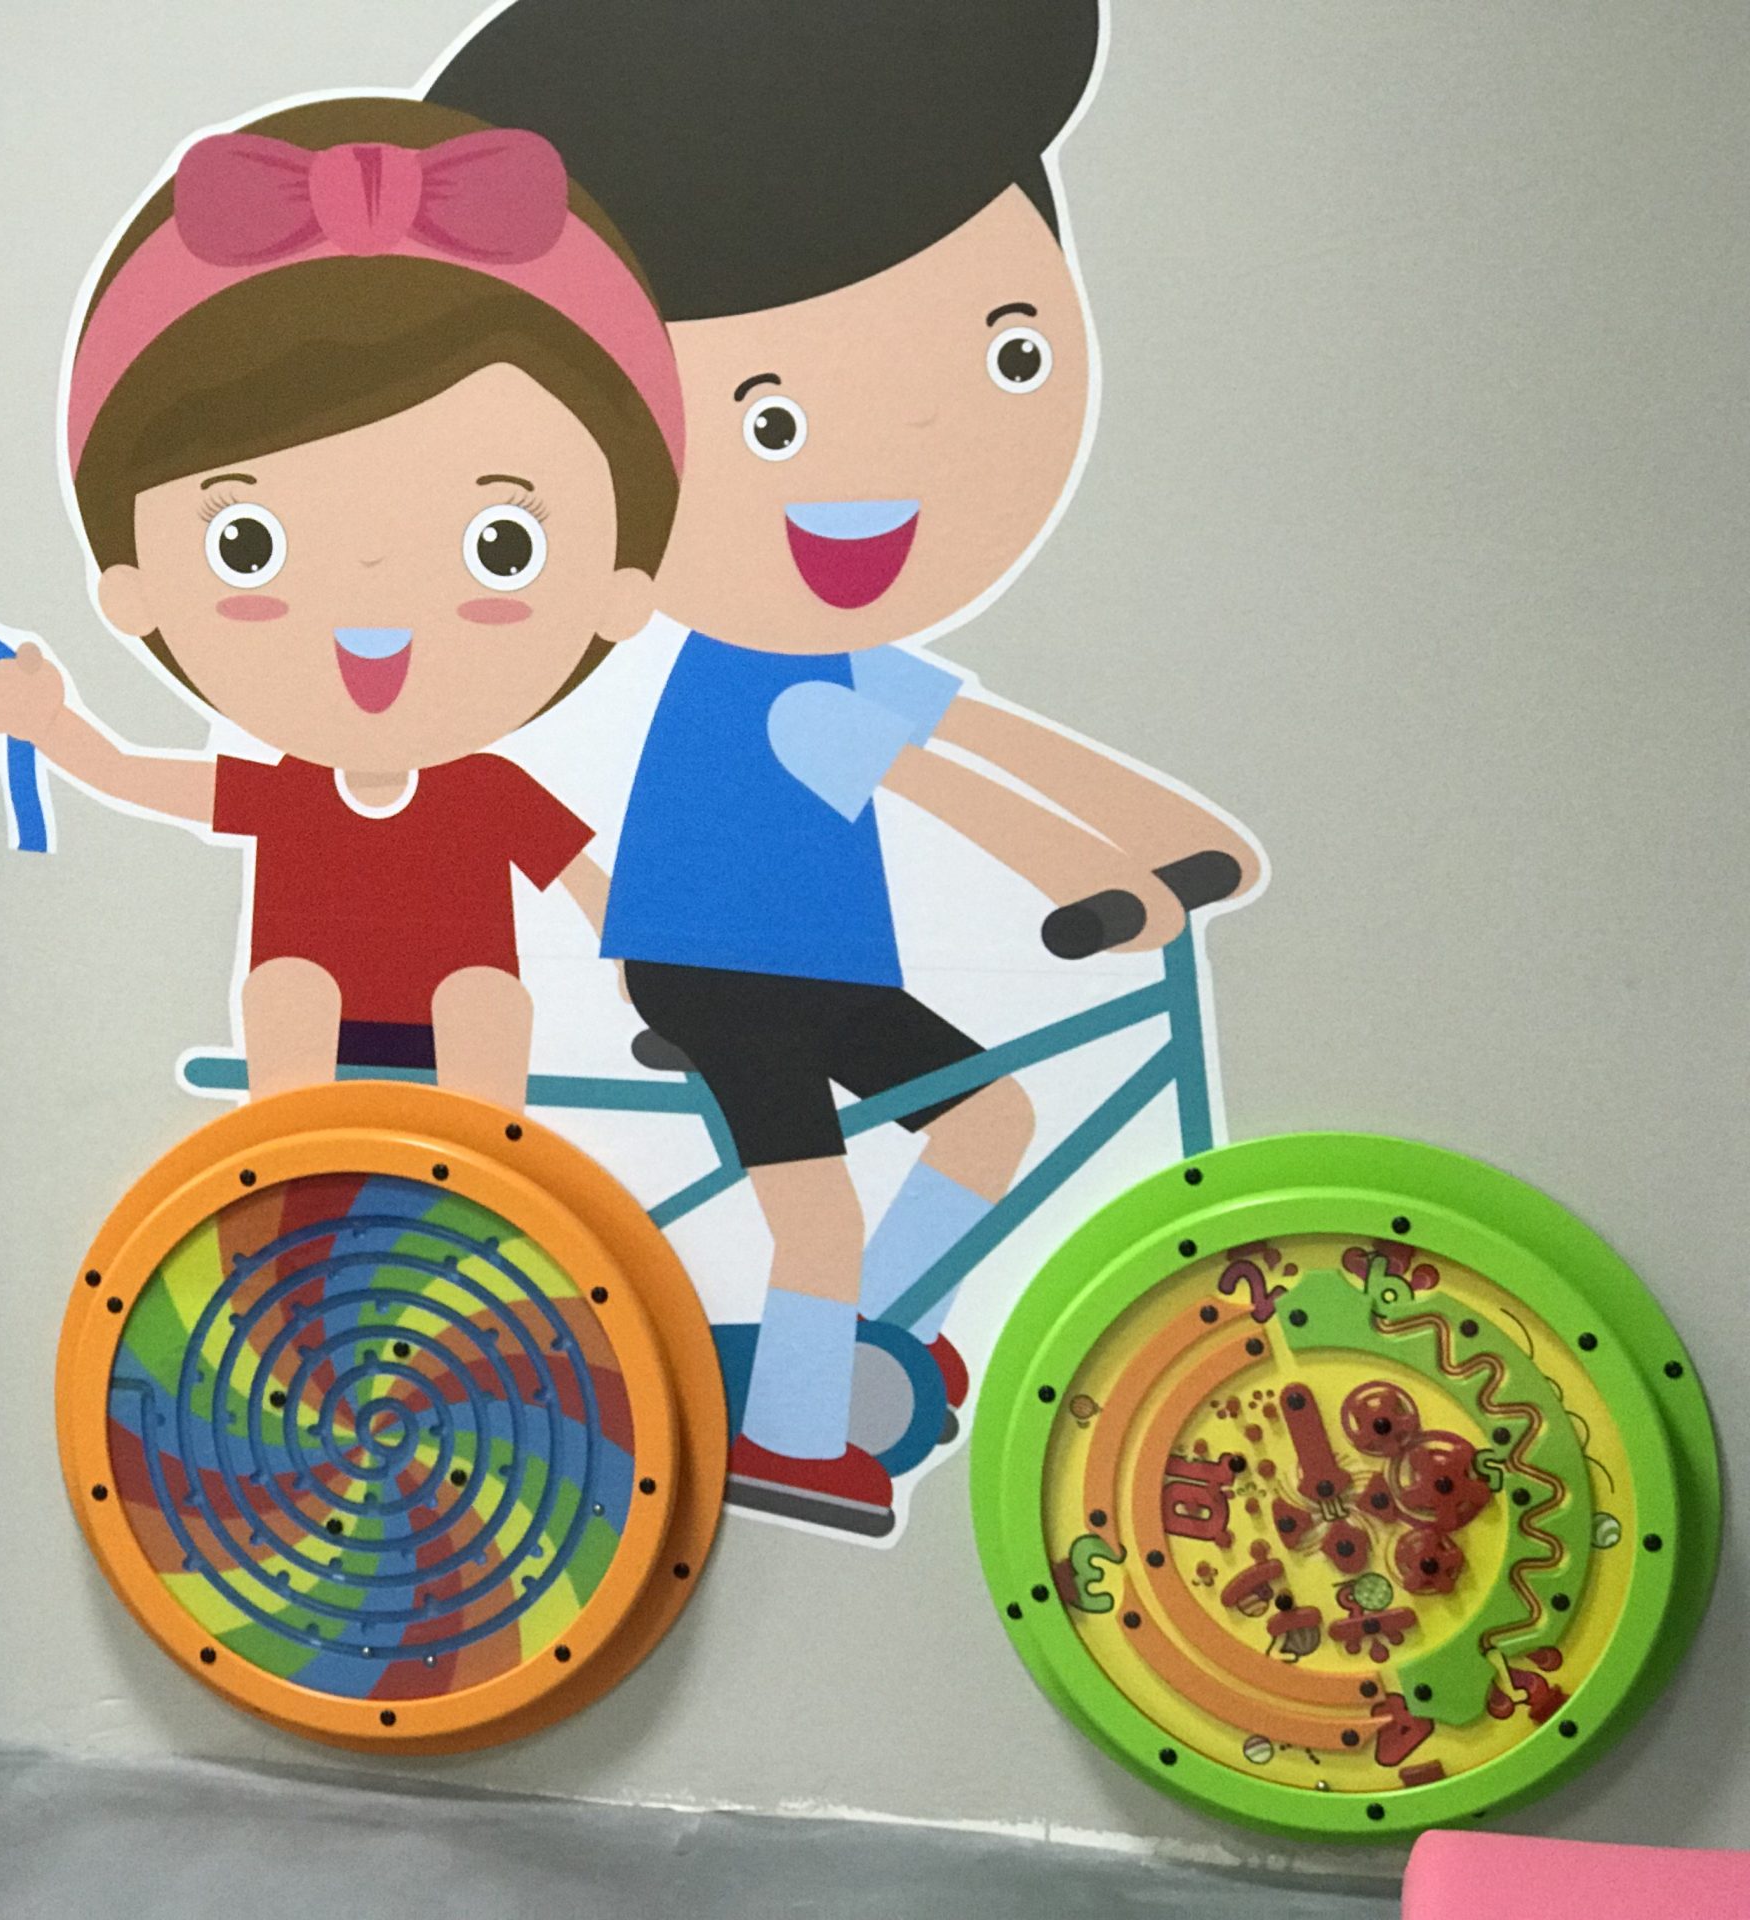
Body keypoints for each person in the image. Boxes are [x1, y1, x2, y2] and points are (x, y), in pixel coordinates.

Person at [431, 0, 1261, 1534]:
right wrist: (1092, 887)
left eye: (1008, 351)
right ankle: (794, 1427)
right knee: (811, 1220)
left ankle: (855, 1343)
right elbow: (949, 787)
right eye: (767, 419)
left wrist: (1175, 838)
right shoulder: (779, 679)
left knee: (988, 1121)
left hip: (810, 959)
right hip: (716, 964)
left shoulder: (847, 654)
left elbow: (996, 738)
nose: (871, 465)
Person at [0, 98, 684, 1110]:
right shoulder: (287, 797)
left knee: (486, 1000)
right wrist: (51, 726)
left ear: (617, 591)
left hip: (454, 1014)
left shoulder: (488, 796)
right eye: (246, 545)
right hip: (314, 1015)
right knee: (289, 990)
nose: (373, 590)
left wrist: (654, 980)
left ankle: (483, 1170)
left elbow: (588, 890)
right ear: (134, 590)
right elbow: (135, 778)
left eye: (501, 547)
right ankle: (291, 1161)